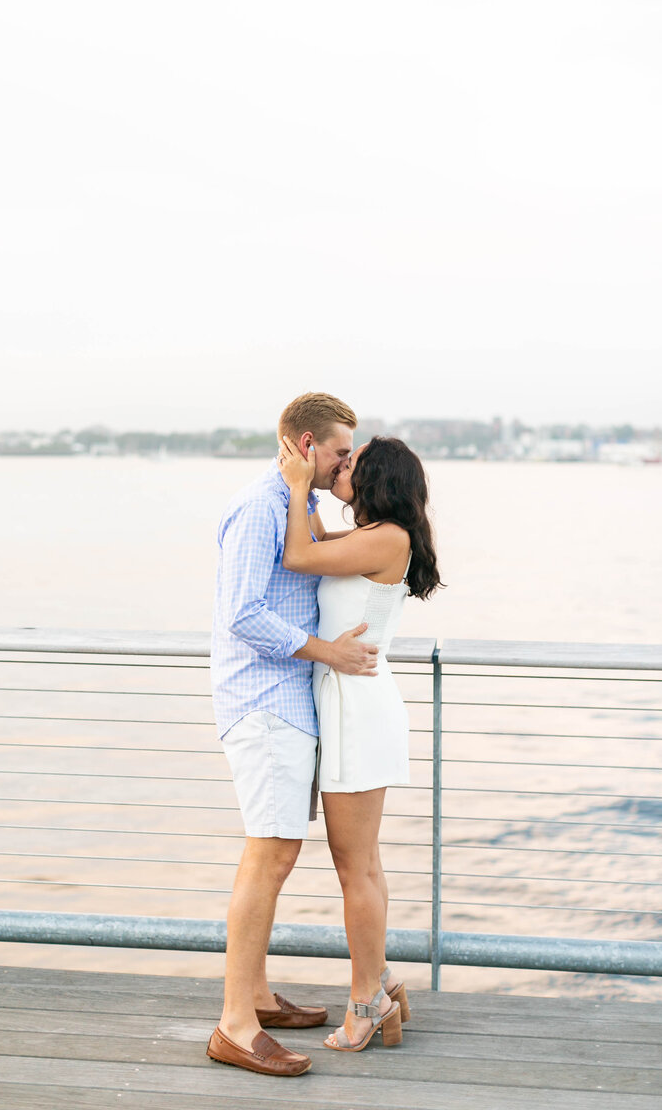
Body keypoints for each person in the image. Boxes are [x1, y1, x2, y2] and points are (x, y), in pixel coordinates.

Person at [206, 392, 380, 1078]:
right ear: (306, 447)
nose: (346, 468)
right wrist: (328, 652)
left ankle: (253, 996)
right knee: (270, 856)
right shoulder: (261, 506)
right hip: (264, 702)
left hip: (284, 705)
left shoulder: (299, 507)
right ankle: (235, 1026)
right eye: (340, 453)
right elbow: (243, 613)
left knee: (273, 853)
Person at [277, 431, 442, 1052]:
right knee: (363, 864)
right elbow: (315, 540)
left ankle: (366, 1003)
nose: (342, 467)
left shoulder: (387, 537)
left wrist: (298, 486)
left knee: (354, 870)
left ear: (378, 481)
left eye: (353, 463)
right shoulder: (376, 535)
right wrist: (312, 487)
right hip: (350, 703)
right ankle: (381, 984)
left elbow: (297, 554)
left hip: (356, 709)